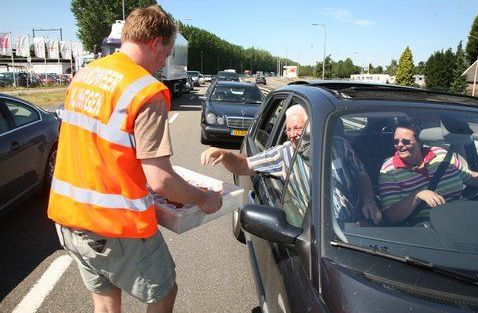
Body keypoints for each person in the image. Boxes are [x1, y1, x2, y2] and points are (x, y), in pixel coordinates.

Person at [48, 5, 221, 313]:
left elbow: (93, 147)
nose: (163, 62)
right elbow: (161, 180)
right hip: (115, 227)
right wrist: (203, 198)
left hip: (70, 218)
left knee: (104, 300)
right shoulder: (145, 90)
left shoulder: (84, 75)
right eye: (166, 53)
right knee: (164, 293)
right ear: (155, 42)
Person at [201, 105, 382, 224]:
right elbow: (243, 166)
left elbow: (361, 175)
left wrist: (369, 200)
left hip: (355, 224)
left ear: (312, 128)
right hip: (317, 233)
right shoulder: (284, 154)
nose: (292, 134)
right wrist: (224, 154)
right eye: (288, 129)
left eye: (298, 128)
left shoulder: (340, 146)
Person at [379, 120, 478, 224]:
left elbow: (470, 177)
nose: (399, 145)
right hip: (427, 227)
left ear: (419, 142)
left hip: (463, 218)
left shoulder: (440, 154)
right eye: (396, 141)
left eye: (406, 141)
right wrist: (416, 196)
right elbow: (391, 216)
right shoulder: (389, 170)